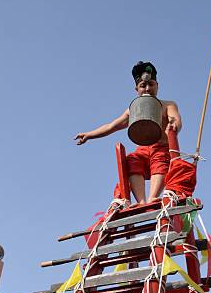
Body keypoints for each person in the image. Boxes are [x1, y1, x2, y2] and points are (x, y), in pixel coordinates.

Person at [75, 61, 182, 204]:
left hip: (161, 147)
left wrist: (173, 125)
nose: (147, 88)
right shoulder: (134, 109)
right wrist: (90, 134)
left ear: (157, 85)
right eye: (143, 86)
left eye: (151, 84)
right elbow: (112, 125)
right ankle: (141, 201)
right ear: (137, 89)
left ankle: (153, 197)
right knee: (132, 160)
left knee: (159, 160)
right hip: (143, 149)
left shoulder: (167, 105)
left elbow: (176, 120)